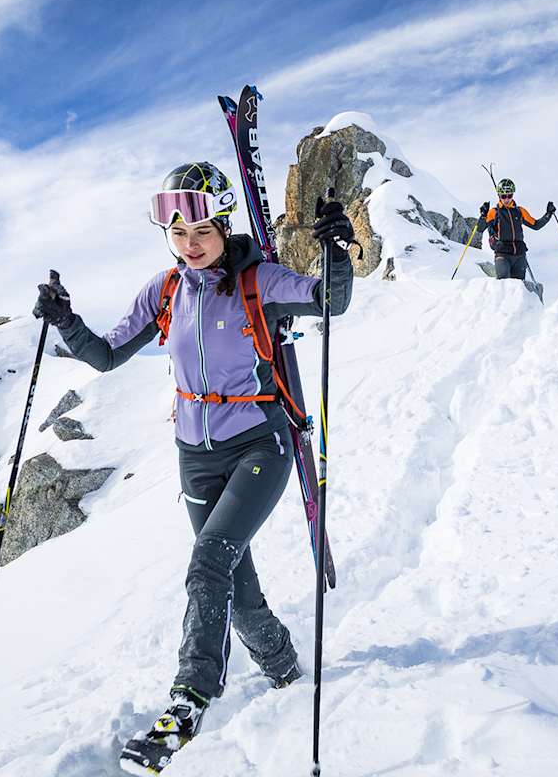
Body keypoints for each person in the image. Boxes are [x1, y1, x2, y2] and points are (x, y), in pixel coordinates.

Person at [33, 162, 355, 774]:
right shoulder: (166, 291)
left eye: (202, 231)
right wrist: (65, 320)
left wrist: (335, 249)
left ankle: (190, 696)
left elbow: (328, 300)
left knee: (209, 562)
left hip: (259, 444)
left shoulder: (259, 279)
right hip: (194, 455)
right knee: (234, 587)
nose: (190, 244)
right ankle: (285, 667)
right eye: (179, 235)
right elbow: (104, 356)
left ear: (223, 224)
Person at [477, 177, 555, 280]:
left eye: (509, 195)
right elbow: (480, 228)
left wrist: (548, 214)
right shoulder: (494, 212)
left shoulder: (520, 211)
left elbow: (536, 225)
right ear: (499, 195)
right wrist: (483, 215)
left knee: (518, 287)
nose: (506, 199)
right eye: (503, 196)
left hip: (519, 255)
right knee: (504, 282)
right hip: (502, 254)